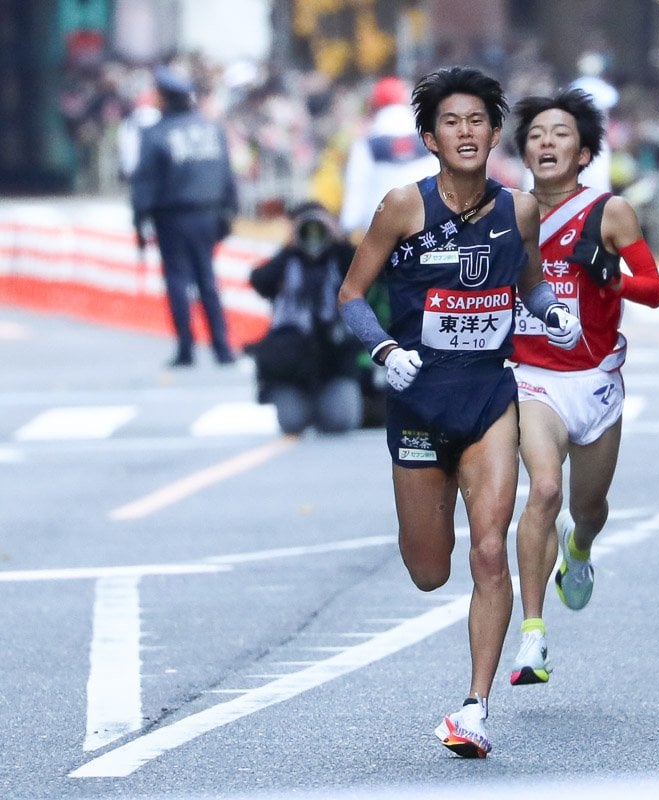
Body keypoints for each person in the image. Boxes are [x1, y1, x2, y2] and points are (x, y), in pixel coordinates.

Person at [336, 66, 582, 759]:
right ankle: (431, 530)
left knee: (488, 551)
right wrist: (385, 350)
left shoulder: (519, 210)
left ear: (495, 133)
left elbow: (528, 283)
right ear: (430, 138)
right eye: (453, 122)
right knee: (428, 569)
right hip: (418, 402)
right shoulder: (402, 208)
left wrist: (552, 313)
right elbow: (351, 296)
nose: (467, 132)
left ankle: (474, 709)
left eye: (478, 121)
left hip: (487, 398)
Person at [504, 88, 659, 687]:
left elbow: (654, 287)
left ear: (585, 152)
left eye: (561, 134)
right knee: (543, 490)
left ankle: (581, 549)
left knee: (586, 509)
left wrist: (612, 280)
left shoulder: (609, 212)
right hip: (530, 378)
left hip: (594, 383)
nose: (547, 142)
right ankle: (533, 637)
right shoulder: (505, 211)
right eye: (537, 133)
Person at [130, 65, 238, 368]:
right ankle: (222, 347)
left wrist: (139, 220)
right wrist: (230, 211)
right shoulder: (211, 128)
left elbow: (144, 182)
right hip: (209, 214)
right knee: (208, 279)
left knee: (177, 279)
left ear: (164, 98)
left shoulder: (156, 133)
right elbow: (227, 174)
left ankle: (186, 349)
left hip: (173, 216)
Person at [248, 201, 365, 435]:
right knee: (292, 423)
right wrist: (289, 246)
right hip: (292, 364)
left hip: (334, 359)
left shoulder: (340, 260)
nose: (313, 233)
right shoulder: (287, 261)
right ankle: (307, 405)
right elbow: (259, 281)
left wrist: (339, 240)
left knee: (339, 421)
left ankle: (325, 405)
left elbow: (372, 272)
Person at [339, 76, 440, 239]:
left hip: (380, 232)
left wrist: (347, 227)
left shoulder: (367, 143)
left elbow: (357, 188)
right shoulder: (427, 138)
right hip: (425, 228)